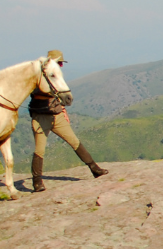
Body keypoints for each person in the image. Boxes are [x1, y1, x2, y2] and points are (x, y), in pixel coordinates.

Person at [29, 49, 108, 191]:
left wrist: (63, 110)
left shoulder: (55, 76)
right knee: (39, 150)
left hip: (56, 115)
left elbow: (58, 95)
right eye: (59, 62)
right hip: (41, 118)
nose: (61, 66)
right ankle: (37, 182)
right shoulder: (39, 77)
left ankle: (94, 169)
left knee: (74, 141)